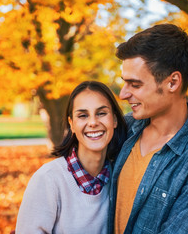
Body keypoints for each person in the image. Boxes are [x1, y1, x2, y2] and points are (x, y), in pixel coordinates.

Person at [108, 23, 188, 234]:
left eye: (135, 85)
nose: (122, 94)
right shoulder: (123, 128)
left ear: (173, 82)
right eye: (124, 83)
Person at [15, 81, 127, 234]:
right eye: (83, 115)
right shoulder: (48, 179)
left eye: (101, 113)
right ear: (72, 124)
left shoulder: (119, 177)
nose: (93, 122)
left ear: (114, 120)